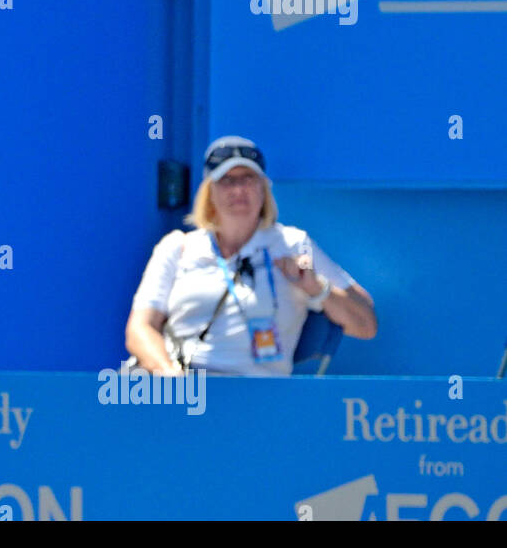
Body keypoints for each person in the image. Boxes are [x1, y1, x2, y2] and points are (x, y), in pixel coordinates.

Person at [125, 136, 377, 376]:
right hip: (188, 393)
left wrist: (317, 288)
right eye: (227, 180)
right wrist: (168, 373)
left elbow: (366, 325)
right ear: (209, 192)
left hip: (261, 400)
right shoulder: (178, 247)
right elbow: (140, 328)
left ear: (263, 189)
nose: (238, 189)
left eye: (248, 178)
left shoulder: (293, 244)